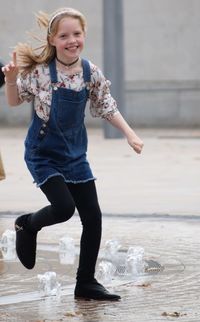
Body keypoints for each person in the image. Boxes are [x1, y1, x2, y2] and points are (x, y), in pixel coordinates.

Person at [2, 7, 144, 301]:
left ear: (84, 35)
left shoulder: (90, 72)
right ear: (52, 39)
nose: (72, 40)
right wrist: (12, 79)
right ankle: (27, 224)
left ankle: (86, 283)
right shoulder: (41, 73)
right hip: (42, 153)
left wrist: (130, 134)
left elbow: (107, 106)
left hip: (75, 154)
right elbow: (15, 102)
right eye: (64, 35)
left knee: (93, 217)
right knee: (64, 208)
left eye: (76, 34)